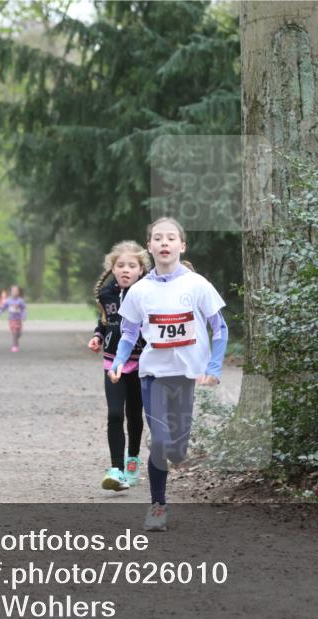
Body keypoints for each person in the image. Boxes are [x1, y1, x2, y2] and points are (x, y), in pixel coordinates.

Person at [109, 218, 228, 531]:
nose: (164, 242)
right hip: (154, 375)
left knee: (177, 449)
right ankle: (158, 506)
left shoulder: (197, 285)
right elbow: (129, 332)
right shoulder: (140, 290)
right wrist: (119, 361)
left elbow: (220, 328)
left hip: (186, 376)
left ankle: (168, 447)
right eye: (158, 238)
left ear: (182, 246)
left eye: (171, 238)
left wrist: (214, 366)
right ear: (149, 246)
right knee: (161, 442)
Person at [88, 241, 150, 492]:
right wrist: (98, 336)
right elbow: (105, 320)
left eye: (132, 266)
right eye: (121, 265)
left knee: (134, 414)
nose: (126, 270)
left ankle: (132, 459)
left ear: (141, 269)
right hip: (113, 362)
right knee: (114, 413)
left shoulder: (148, 292)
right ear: (112, 268)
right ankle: (116, 469)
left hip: (141, 362)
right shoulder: (107, 294)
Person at [0, 285, 27, 352]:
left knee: (18, 333)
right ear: (10, 292)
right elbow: (4, 307)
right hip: (11, 319)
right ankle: (15, 346)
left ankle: (17, 339)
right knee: (14, 332)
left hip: (18, 319)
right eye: (13, 291)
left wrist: (24, 316)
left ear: (19, 292)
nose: (14, 292)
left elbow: (23, 309)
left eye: (16, 291)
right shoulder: (8, 300)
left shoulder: (20, 301)